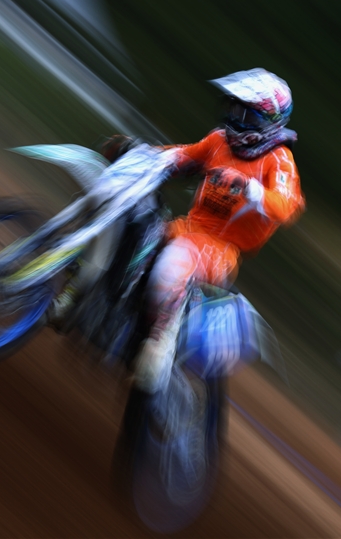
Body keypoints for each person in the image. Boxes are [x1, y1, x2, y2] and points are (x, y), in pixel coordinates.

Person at [127, 68, 306, 392]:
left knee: (173, 263)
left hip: (220, 250)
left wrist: (249, 187)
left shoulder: (279, 160)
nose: (236, 119)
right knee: (133, 230)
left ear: (269, 122)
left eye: (246, 115)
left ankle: (159, 345)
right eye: (234, 109)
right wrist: (141, 154)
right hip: (185, 228)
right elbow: (185, 154)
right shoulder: (219, 140)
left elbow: (286, 205)